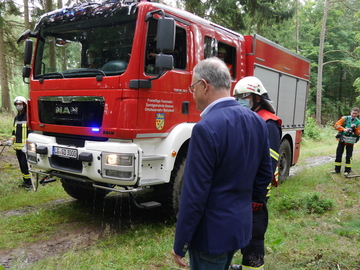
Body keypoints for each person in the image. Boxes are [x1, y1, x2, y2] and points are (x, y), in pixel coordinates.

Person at [172, 58, 273, 270]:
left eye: (193, 87)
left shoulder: (205, 128)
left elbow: (194, 195)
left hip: (211, 237)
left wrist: (181, 242)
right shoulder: (257, 122)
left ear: (204, 85)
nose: (193, 94)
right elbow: (264, 175)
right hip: (240, 229)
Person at [231, 76, 282, 270]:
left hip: (255, 196)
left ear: (258, 98)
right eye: (237, 96)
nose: (239, 100)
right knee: (242, 233)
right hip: (242, 192)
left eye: (244, 96)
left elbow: (268, 165)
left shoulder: (268, 124)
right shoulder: (247, 119)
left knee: (254, 237)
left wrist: (257, 198)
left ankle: (252, 266)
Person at [3, 96, 33, 189]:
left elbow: (32, 134)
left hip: (26, 147)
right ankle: (26, 182)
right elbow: (14, 133)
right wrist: (10, 141)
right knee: (21, 165)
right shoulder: (16, 118)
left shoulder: (29, 117)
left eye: (20, 104)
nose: (18, 106)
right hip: (18, 147)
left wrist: (27, 145)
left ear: (24, 105)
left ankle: (30, 184)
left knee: (25, 165)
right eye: (17, 104)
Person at [333, 107, 360, 175]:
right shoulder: (345, 118)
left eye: (355, 114)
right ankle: (337, 170)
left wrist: (354, 129)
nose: (354, 115)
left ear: (357, 114)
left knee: (349, 156)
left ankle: (347, 171)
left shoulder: (358, 122)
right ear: (351, 112)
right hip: (342, 139)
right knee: (338, 154)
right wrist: (344, 129)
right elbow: (336, 125)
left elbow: (358, 133)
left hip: (351, 142)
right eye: (353, 113)